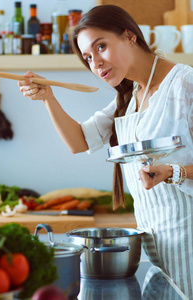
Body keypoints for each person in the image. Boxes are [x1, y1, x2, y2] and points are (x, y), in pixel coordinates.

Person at [18, 5, 193, 298]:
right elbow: (79, 141)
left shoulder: (185, 83)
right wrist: (48, 97)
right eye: (88, 56)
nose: (95, 63)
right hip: (154, 248)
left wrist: (173, 172)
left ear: (129, 36)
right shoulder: (130, 97)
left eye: (101, 47)